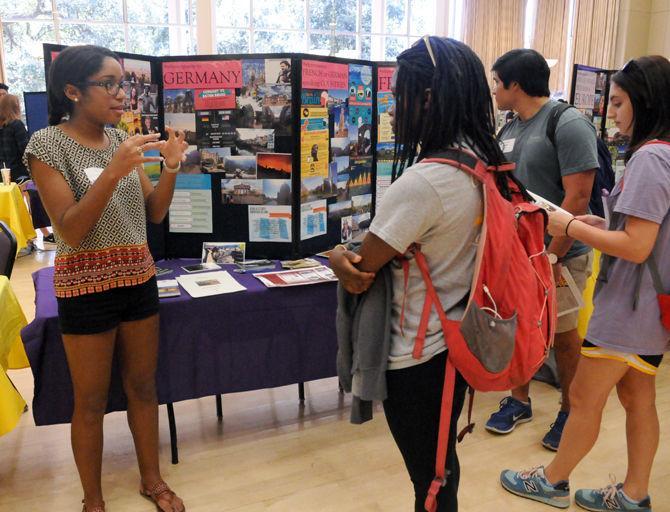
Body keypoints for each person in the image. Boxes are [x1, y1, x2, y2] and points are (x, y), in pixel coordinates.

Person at [330, 36, 508, 511]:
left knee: (430, 482)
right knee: (439, 470)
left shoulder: (426, 181)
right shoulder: (482, 163)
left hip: (417, 357)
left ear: (426, 98)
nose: (390, 108)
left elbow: (362, 268)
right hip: (454, 345)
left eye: (397, 95)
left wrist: (335, 258)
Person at [500, 55, 670, 512]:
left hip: (628, 306)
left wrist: (569, 226)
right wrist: (603, 220)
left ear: (644, 101)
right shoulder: (661, 154)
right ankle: (635, 493)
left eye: (617, 102)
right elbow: (645, 231)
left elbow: (635, 246)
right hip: (647, 307)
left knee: (582, 395)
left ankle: (553, 481)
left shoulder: (651, 157)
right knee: (637, 397)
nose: (611, 112)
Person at [24, 45, 188, 512]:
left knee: (143, 387)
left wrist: (172, 165)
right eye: (109, 84)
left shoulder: (120, 141)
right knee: (91, 400)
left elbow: (153, 213)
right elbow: (70, 229)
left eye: (124, 84)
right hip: (85, 284)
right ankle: (92, 499)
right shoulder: (47, 145)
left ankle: (152, 481)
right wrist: (113, 175)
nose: (122, 95)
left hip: (137, 279)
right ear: (73, 91)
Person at [487, 48, 599, 450]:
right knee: (518, 327)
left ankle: (569, 411)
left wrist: (551, 254)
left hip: (559, 256)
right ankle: (519, 401)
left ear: (516, 84)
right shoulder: (509, 127)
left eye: (497, 82)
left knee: (564, 337)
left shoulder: (567, 123)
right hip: (517, 255)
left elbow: (579, 196)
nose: (494, 90)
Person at [0, 93, 55, 244]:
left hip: (5, 173)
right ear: (15, 106)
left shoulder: (2, 127)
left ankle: (22, 236)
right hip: (20, 172)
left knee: (16, 206)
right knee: (32, 202)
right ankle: (44, 233)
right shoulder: (17, 125)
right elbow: (26, 149)